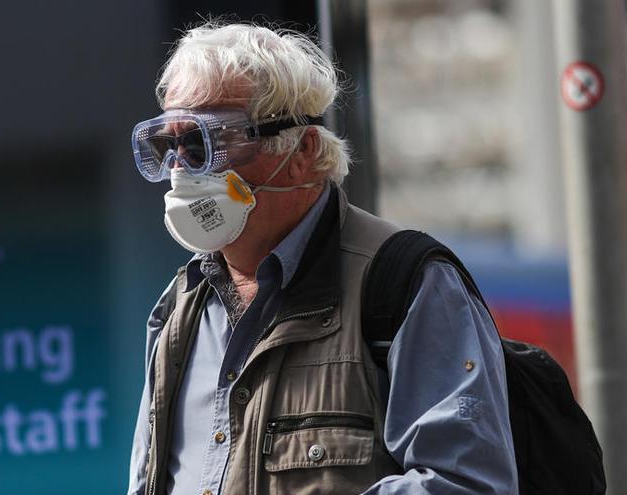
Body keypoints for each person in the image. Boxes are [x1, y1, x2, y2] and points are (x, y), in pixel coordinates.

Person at [127, 21, 518, 495]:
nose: (181, 170)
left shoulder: (405, 286)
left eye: (208, 141)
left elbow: (467, 484)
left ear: (303, 151)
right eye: (169, 145)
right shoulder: (180, 311)